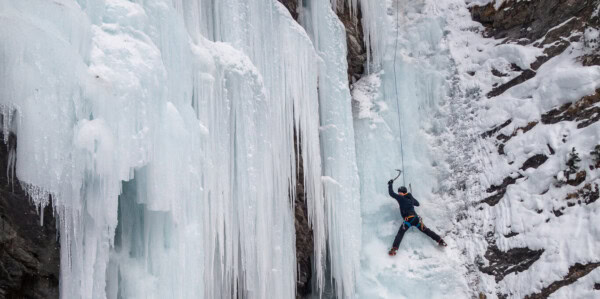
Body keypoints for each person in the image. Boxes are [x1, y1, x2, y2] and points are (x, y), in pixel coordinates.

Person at [387, 180, 447, 256]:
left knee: (400, 233)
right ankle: (440, 241)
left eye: (399, 192)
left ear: (402, 192)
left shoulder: (401, 198)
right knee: (427, 230)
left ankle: (394, 249)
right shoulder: (409, 198)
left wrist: (390, 184)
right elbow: (417, 204)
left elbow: (391, 193)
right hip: (416, 219)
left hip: (408, 220)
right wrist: (411, 197)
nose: (398, 193)